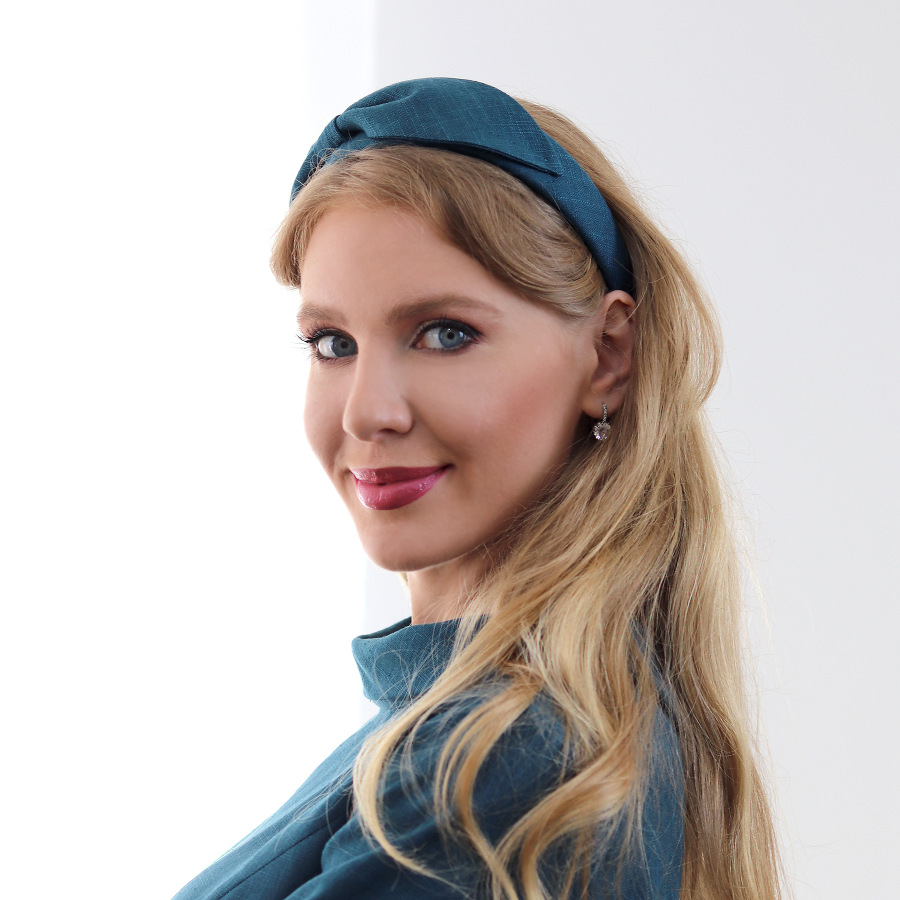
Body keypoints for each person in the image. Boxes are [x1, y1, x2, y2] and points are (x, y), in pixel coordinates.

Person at [173, 77, 783, 899]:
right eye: (332, 343)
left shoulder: (500, 765)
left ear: (608, 357)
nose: (367, 412)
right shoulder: (469, 732)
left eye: (444, 333)